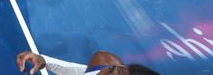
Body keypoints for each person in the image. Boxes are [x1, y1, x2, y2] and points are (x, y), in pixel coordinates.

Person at [16, 49, 160, 75]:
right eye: (113, 70)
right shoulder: (102, 63)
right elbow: (77, 72)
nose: (106, 71)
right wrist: (45, 61)